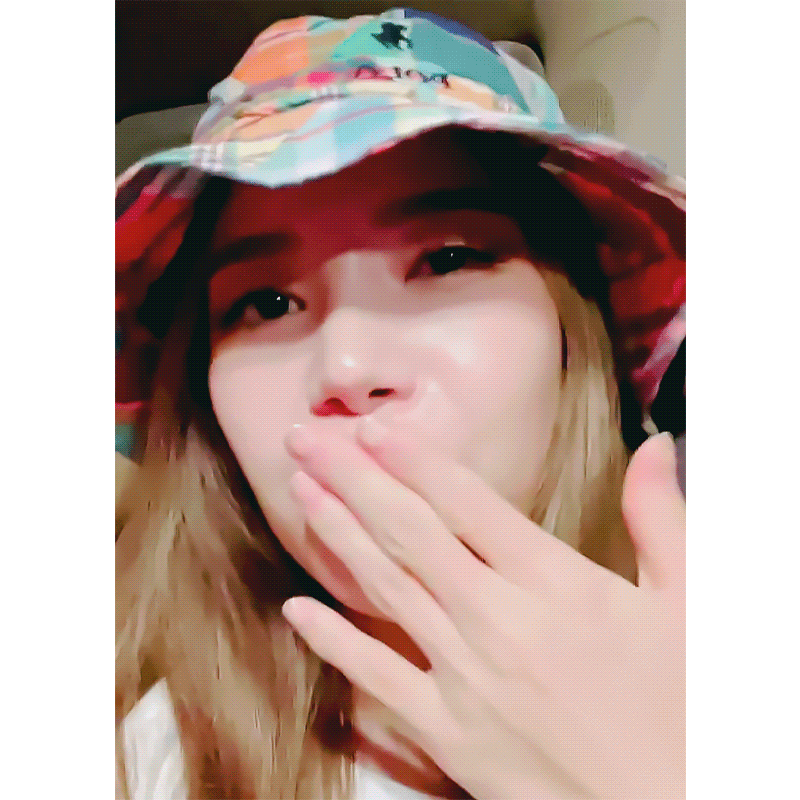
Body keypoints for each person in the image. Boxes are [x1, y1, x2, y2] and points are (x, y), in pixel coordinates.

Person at [115, 9, 685, 799]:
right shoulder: (151, 760)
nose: (347, 368)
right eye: (268, 304)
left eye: (447, 259)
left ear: (571, 329)